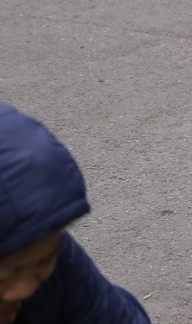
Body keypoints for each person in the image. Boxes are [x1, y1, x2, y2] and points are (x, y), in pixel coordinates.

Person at [0, 104, 150, 324]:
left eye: (44, 262)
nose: (25, 288)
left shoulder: (44, 247)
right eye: (7, 273)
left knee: (118, 300)